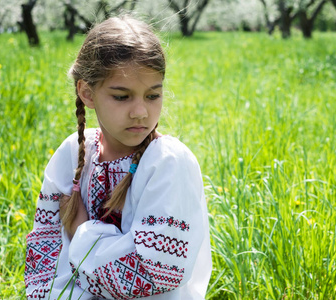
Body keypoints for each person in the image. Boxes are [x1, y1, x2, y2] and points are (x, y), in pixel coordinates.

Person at [24, 14, 212, 300]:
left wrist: (81, 231)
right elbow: (46, 248)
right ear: (87, 93)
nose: (140, 112)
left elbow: (157, 272)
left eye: (152, 96)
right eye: (122, 97)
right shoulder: (73, 154)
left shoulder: (168, 164)